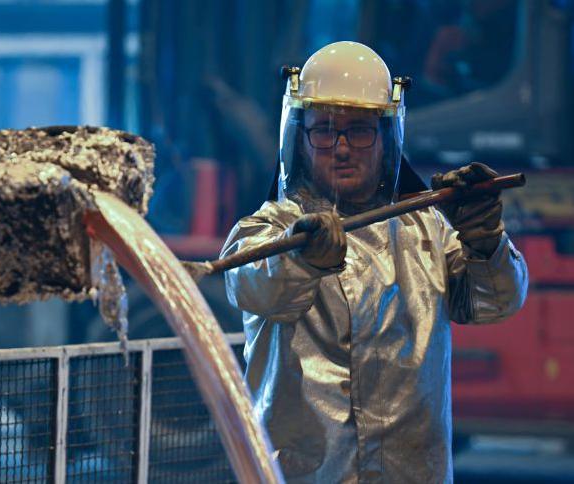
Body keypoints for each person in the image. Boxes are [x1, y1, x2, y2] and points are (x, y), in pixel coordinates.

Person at [221, 41, 528, 483]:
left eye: (360, 129)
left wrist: (485, 243)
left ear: (387, 138)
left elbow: (496, 304)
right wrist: (301, 259)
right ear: (299, 138)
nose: (342, 147)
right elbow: (255, 287)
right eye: (324, 130)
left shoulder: (427, 229)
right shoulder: (269, 230)